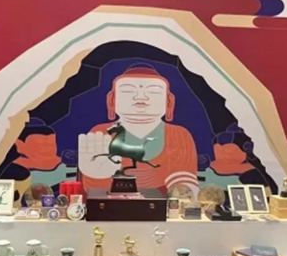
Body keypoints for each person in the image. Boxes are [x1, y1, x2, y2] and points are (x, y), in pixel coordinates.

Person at [78, 64, 199, 197]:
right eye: (127, 91)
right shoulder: (101, 134)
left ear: (169, 101)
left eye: (153, 91)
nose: (140, 98)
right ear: (112, 100)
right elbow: (93, 194)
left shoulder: (179, 135)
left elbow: (186, 190)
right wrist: (96, 176)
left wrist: (180, 192)